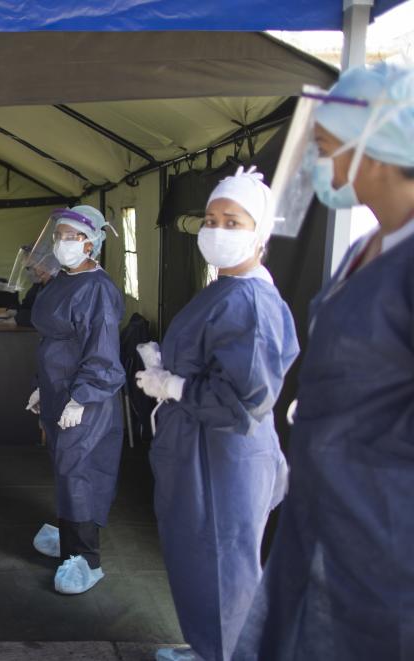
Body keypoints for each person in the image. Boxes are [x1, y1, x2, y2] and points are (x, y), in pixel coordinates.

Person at [233, 63, 414, 661]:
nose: (320, 166)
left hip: (385, 521)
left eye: (328, 149)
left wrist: (356, 454)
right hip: (328, 505)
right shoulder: (371, 243)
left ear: (380, 150)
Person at [134, 166, 299, 661]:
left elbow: (244, 399)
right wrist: (167, 367)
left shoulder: (250, 301)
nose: (216, 230)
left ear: (261, 232)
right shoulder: (222, 287)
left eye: (233, 221)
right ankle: (210, 648)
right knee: (200, 563)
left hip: (223, 458)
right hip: (200, 450)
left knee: (225, 567)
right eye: (210, 218)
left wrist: (174, 384)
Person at [24, 205, 126, 595]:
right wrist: (41, 385)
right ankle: (69, 532)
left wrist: (80, 399)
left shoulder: (97, 289)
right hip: (57, 389)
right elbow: (53, 339)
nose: (61, 243)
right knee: (64, 467)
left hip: (85, 396)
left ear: (91, 242)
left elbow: (102, 351)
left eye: (70, 236)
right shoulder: (63, 280)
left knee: (81, 470)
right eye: (59, 236)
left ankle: (86, 557)